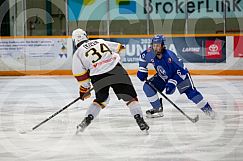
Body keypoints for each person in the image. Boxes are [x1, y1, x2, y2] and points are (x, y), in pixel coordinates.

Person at [72, 28, 149, 133]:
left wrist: (84, 90)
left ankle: (85, 121)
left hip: (98, 75)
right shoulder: (100, 41)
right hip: (116, 70)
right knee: (130, 98)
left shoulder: (77, 54)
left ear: (74, 41)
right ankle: (140, 120)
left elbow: (81, 76)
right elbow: (120, 47)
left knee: (101, 100)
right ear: (86, 36)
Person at [137, 34, 216, 119]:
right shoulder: (149, 53)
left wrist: (172, 83)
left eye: (158, 46)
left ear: (163, 46)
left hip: (180, 76)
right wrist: (142, 70)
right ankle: (157, 109)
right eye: (154, 45)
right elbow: (143, 58)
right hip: (163, 76)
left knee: (192, 94)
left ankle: (209, 111)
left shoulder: (170, 56)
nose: (155, 48)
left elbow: (181, 70)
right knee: (148, 87)